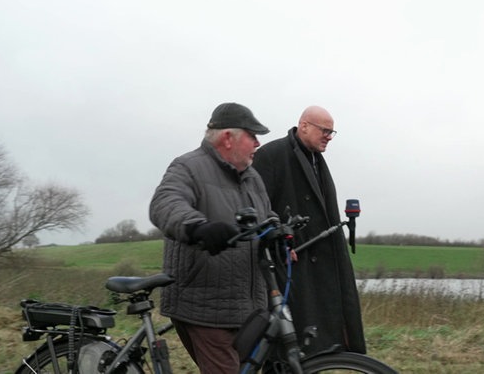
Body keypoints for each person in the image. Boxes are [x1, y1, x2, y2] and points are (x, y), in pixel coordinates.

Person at [149, 102, 273, 374]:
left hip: (247, 305)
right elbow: (165, 204)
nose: (258, 143)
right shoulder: (188, 167)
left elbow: (264, 216)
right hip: (204, 304)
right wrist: (198, 228)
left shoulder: (252, 177)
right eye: (252, 136)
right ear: (229, 138)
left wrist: (277, 230)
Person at [253, 105, 366, 359]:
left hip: (320, 258)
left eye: (331, 132)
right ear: (303, 125)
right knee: (287, 340)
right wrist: (278, 244)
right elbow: (258, 207)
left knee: (313, 337)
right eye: (324, 130)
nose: (328, 136)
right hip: (290, 262)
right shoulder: (272, 155)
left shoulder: (316, 159)